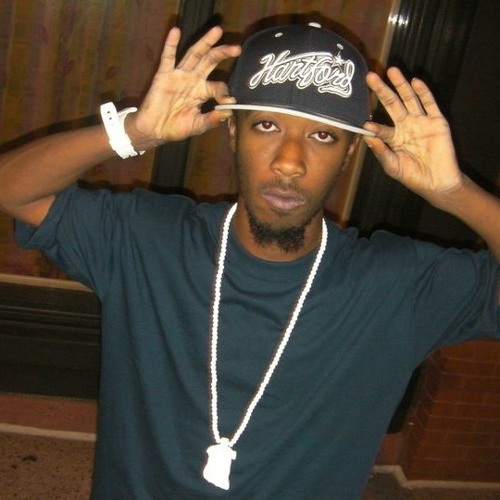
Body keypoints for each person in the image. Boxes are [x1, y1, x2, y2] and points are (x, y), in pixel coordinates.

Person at [0, 21, 498, 499]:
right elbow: (13, 191)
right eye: (266, 125)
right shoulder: (148, 240)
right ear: (234, 135)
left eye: (322, 135)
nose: (289, 162)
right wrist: (131, 132)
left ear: (349, 153)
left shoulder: (399, 285)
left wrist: (456, 193)